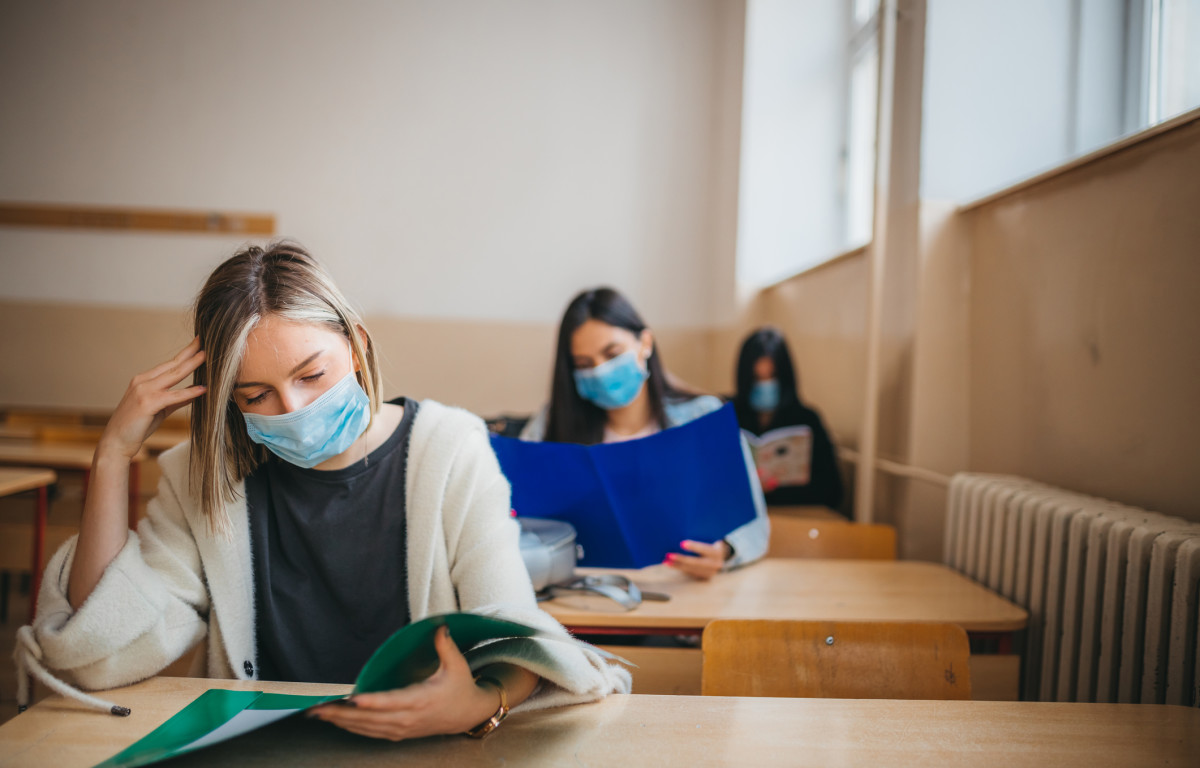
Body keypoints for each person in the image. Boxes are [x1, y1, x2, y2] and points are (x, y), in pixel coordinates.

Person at [15, 242, 629, 739]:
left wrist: (479, 703)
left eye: (311, 375)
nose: (293, 408)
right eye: (255, 396)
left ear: (357, 346)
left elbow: (513, 630)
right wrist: (113, 455)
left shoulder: (450, 449)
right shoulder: (204, 478)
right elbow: (98, 650)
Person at [520, 287, 768, 580]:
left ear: (645, 343)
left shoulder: (703, 417)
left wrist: (725, 550)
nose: (600, 372)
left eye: (612, 354)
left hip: (680, 595)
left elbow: (754, 523)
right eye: (584, 365)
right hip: (583, 596)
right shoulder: (550, 425)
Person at [733, 326, 847, 516]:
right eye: (757, 378)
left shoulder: (806, 420)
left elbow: (833, 492)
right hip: (741, 520)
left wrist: (777, 490)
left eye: (772, 377)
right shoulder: (729, 416)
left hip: (793, 518)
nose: (765, 385)